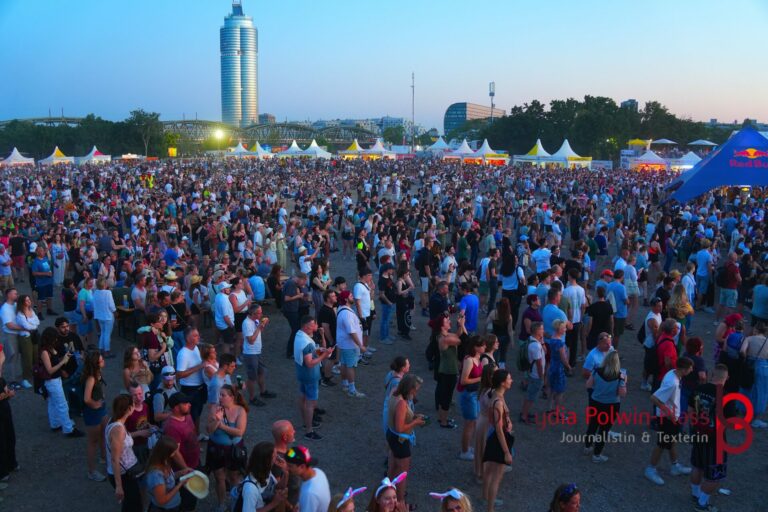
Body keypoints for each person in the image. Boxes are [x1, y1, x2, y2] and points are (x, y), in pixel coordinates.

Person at [645, 357, 694, 486]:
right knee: (661, 444)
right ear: (683, 369)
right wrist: (670, 412)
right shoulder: (672, 382)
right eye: (690, 368)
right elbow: (654, 398)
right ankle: (650, 469)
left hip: (672, 417)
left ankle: (675, 465)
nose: (692, 370)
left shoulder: (674, 373)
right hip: (667, 418)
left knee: (672, 441)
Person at [689, 364, 731, 512]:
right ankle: (701, 504)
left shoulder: (699, 389)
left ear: (713, 374)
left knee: (697, 466)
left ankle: (695, 494)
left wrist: (694, 428)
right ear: (727, 378)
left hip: (698, 434)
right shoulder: (726, 395)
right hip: (716, 441)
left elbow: (690, 410)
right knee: (715, 477)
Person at [207, 384, 248, 511]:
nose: (220, 397)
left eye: (223, 395)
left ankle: (235, 502)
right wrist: (216, 420)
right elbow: (209, 430)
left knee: (234, 477)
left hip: (233, 449)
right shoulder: (215, 408)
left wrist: (221, 425)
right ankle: (221, 504)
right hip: (216, 448)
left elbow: (239, 432)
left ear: (232, 397)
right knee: (219, 477)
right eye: (219, 394)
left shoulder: (240, 410)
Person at [385, 374, 424, 503]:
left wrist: (412, 416)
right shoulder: (402, 403)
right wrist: (415, 422)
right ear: (409, 388)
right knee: (402, 474)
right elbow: (400, 428)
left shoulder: (394, 395)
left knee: (392, 468)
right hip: (400, 440)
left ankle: (387, 494)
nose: (416, 392)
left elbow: (398, 418)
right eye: (415, 389)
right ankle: (400, 502)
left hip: (392, 437)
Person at [294, 315, 334, 440]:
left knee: (303, 398)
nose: (316, 325)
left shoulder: (299, 335)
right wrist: (324, 356)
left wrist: (322, 351)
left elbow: (312, 353)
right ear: (307, 327)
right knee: (310, 403)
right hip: (310, 375)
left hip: (301, 373)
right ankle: (309, 431)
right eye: (314, 324)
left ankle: (306, 422)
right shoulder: (307, 343)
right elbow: (310, 363)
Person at [39, 327, 84, 437]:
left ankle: (55, 424)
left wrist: (63, 358)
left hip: (55, 379)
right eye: (55, 338)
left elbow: (54, 362)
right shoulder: (44, 352)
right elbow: (50, 370)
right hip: (52, 381)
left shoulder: (50, 349)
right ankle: (68, 429)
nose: (56, 340)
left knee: (52, 403)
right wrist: (62, 362)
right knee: (62, 404)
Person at [583, 351, 626, 463]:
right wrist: (624, 382)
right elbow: (622, 394)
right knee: (604, 430)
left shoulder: (596, 371)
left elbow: (588, 385)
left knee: (593, 424)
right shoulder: (620, 376)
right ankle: (597, 455)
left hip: (595, 402)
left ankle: (587, 447)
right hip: (611, 405)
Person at [482, 369, 514, 512]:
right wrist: (506, 452)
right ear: (502, 383)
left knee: (489, 471)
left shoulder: (496, 394)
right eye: (509, 378)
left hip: (493, 436)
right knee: (496, 476)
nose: (511, 380)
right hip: (498, 439)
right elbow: (499, 429)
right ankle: (490, 508)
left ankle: (485, 498)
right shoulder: (498, 401)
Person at [106, 394, 143, 512]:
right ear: (129, 409)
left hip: (127, 472)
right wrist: (119, 486)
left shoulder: (114, 421)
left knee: (132, 503)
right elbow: (114, 459)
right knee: (133, 505)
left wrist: (140, 433)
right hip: (124, 475)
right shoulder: (118, 429)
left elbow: (122, 441)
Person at [145, 435, 197, 512]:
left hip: (173, 505)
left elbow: (168, 479)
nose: (176, 453)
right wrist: (180, 484)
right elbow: (162, 500)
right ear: (166, 453)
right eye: (174, 452)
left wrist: (182, 472)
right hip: (165, 509)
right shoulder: (156, 475)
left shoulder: (164, 461)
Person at [432, 312, 463, 429]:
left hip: (445, 370)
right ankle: (444, 422)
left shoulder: (444, 336)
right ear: (442, 326)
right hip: (448, 371)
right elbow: (460, 340)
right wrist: (462, 325)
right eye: (447, 321)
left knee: (443, 395)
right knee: (447, 397)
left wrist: (460, 325)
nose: (449, 322)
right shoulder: (445, 339)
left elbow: (457, 335)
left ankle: (442, 418)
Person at [237, 441, 288, 512]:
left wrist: (285, 472)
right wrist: (274, 503)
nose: (278, 457)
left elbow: (278, 487)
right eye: (275, 455)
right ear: (267, 461)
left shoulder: (266, 472)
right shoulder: (250, 489)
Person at [242, 304, 277, 406]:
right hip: (250, 353)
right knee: (252, 377)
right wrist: (258, 327)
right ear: (253, 314)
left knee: (261, 372)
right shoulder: (247, 323)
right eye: (259, 313)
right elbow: (251, 340)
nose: (261, 314)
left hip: (257, 352)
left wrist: (262, 326)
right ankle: (252, 398)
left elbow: (258, 332)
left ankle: (263, 392)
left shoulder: (255, 320)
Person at [82, 350, 108, 482]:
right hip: (93, 413)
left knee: (103, 434)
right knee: (93, 442)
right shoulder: (91, 378)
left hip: (101, 410)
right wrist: (95, 404)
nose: (103, 361)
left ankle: (104, 457)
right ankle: (91, 471)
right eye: (101, 360)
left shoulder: (98, 373)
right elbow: (86, 399)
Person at [458, 336, 485, 461]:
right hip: (469, 395)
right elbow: (463, 381)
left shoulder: (478, 358)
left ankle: (467, 447)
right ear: (476, 347)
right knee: (469, 423)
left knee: (473, 422)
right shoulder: (469, 360)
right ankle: (464, 451)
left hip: (475, 394)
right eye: (482, 345)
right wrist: (481, 378)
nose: (485, 347)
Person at [336, 290, 366, 398]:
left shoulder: (342, 309)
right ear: (346, 299)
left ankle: (344, 385)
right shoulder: (347, 314)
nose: (353, 297)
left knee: (344, 364)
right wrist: (360, 345)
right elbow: (352, 332)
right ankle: (352, 389)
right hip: (350, 344)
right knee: (350, 366)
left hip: (343, 343)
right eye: (351, 296)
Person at [175, 327, 206, 427]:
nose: (198, 337)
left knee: (198, 412)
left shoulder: (196, 348)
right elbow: (179, 374)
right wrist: (199, 367)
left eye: (198, 335)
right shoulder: (183, 354)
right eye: (195, 335)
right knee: (192, 414)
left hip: (200, 386)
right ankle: (192, 437)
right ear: (188, 339)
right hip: (190, 389)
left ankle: (197, 434)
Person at [162, 393, 201, 472]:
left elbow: (193, 433)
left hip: (195, 462)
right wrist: (186, 470)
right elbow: (175, 453)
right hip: (186, 467)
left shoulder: (187, 415)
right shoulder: (172, 428)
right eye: (185, 403)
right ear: (176, 408)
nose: (189, 404)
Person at [286, 445, 331, 512]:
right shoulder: (319, 472)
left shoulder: (309, 493)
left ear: (302, 466)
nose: (286, 468)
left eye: (290, 466)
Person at [546, 320, 572, 413]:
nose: (565, 329)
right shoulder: (559, 342)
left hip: (552, 365)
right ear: (559, 329)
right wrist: (568, 366)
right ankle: (558, 412)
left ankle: (550, 408)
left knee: (552, 388)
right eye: (564, 328)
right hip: (559, 367)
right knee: (560, 391)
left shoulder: (553, 338)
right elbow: (563, 358)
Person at [0, 370, 18, 489]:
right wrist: (8, 394)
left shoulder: (1, 379)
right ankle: (2, 472)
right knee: (1, 442)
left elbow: (4, 390)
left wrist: (8, 393)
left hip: (5, 411)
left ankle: (11, 464)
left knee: (10, 438)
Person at [485, 299, 514, 369]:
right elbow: (510, 330)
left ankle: (494, 367)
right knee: (503, 353)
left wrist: (485, 332)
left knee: (494, 353)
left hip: (495, 336)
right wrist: (512, 341)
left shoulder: (493, 313)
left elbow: (486, 323)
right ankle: (502, 367)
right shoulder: (509, 316)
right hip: (505, 337)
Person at [93, 277, 117, 358]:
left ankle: (101, 349)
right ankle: (107, 351)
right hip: (108, 316)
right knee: (107, 334)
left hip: (99, 316)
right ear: (105, 284)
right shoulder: (108, 293)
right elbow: (111, 305)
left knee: (102, 333)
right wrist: (115, 312)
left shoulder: (95, 292)